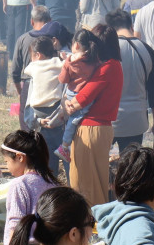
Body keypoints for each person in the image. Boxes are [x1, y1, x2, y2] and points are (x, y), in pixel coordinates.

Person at [64, 29, 123, 209]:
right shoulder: (115, 65)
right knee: (97, 180)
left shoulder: (106, 68)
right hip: (101, 128)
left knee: (84, 183)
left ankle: (90, 222)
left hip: (91, 129)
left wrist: (68, 103)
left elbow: (80, 100)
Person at [108, 10, 154, 154]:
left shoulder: (108, 50)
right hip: (137, 120)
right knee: (130, 164)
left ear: (110, 29)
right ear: (131, 26)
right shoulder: (148, 50)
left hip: (109, 118)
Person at [0, 130, 58, 245]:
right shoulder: (53, 184)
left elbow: (16, 224)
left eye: (7, 161)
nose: (7, 166)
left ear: (20, 157)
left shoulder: (19, 185)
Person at [53, 30, 103, 164]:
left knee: (70, 118)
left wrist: (65, 63)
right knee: (76, 119)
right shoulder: (93, 61)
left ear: (75, 45)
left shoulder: (70, 61)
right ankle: (64, 145)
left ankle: (64, 139)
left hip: (69, 93)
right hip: (81, 95)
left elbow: (63, 79)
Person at [22, 36, 67, 175]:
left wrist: (37, 122)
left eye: (31, 56)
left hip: (42, 123)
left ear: (38, 55)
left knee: (47, 165)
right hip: (60, 120)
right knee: (68, 161)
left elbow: (28, 107)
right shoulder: (61, 66)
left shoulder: (34, 69)